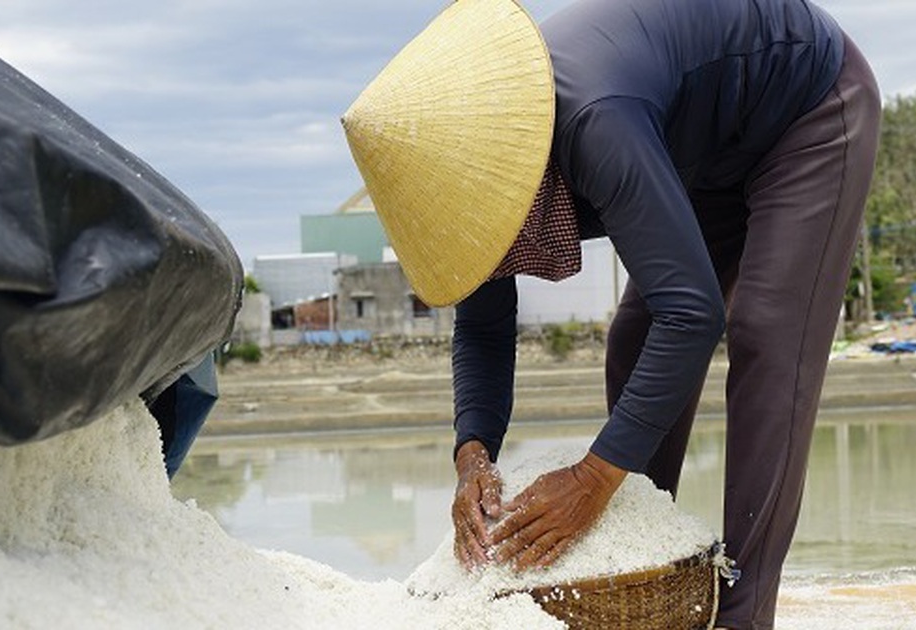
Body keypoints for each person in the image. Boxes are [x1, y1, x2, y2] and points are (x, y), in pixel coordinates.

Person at [343, 0, 880, 627]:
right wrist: (472, 455)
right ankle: (651, 575)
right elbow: (483, 327)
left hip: (807, 110)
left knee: (764, 336)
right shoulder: (467, 186)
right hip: (700, 151)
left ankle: (742, 613)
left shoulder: (591, 122)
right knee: (634, 338)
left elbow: (693, 315)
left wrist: (592, 479)